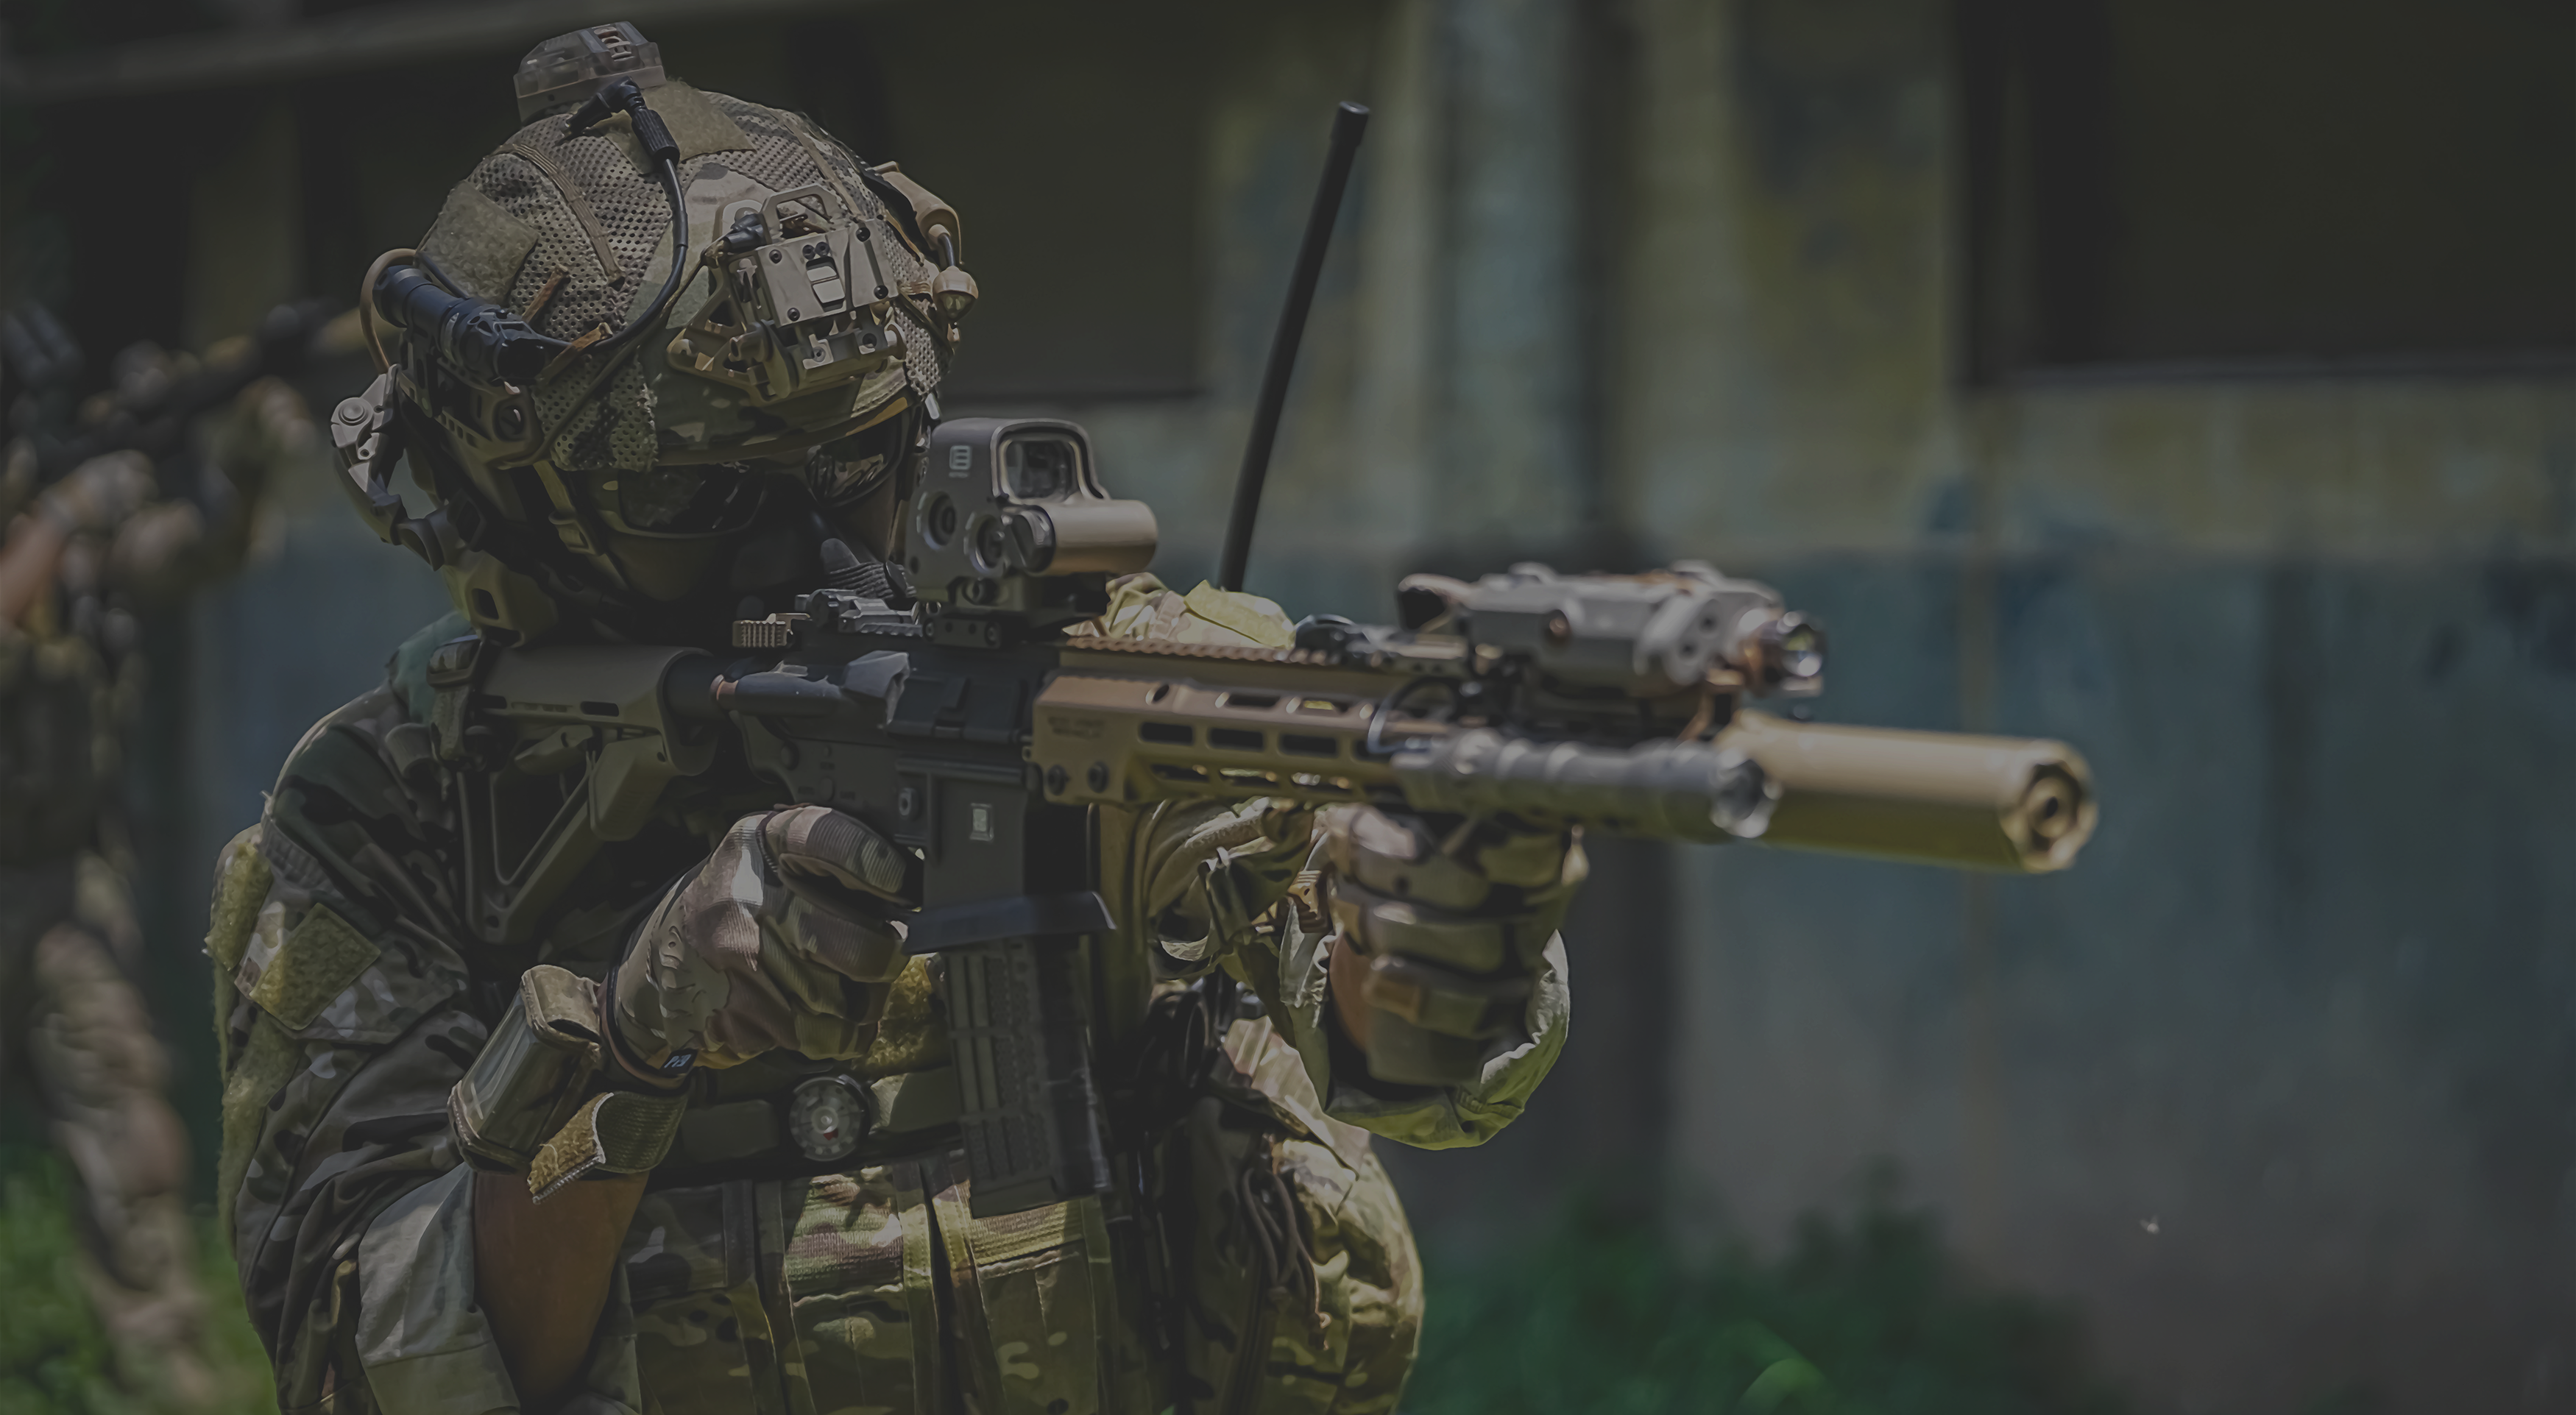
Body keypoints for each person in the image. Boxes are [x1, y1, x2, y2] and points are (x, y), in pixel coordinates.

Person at [208, 24, 1579, 1414]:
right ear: (515, 507)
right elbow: (363, 1367)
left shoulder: (1135, 684)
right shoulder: (390, 807)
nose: (810, 549)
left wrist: (1441, 933)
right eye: (703, 502)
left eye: (862, 461)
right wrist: (633, 1034)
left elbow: (1425, 1071)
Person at [0, 333, 311, 1404]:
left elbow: (189, 555)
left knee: (125, 1125)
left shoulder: (65, 543)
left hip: (52, 888)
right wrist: (65, 515)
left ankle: (164, 1376)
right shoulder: (51, 529)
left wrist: (244, 470)